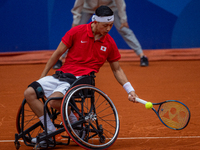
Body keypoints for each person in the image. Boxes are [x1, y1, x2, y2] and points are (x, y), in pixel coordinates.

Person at [24, 5, 137, 143]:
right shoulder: (76, 32)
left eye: (111, 25)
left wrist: (130, 90)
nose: (108, 29)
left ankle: (74, 122)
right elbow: (57, 54)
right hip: (62, 75)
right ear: (95, 22)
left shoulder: (109, 43)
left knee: (54, 102)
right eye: (105, 25)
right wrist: (43, 76)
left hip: (82, 79)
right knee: (29, 92)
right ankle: (52, 132)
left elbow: (117, 69)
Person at [53, 0, 148, 69]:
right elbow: (78, 5)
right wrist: (76, 21)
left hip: (109, 9)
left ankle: (142, 56)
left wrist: (123, 20)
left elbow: (120, 3)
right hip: (88, 8)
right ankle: (61, 58)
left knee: (123, 29)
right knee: (75, 32)